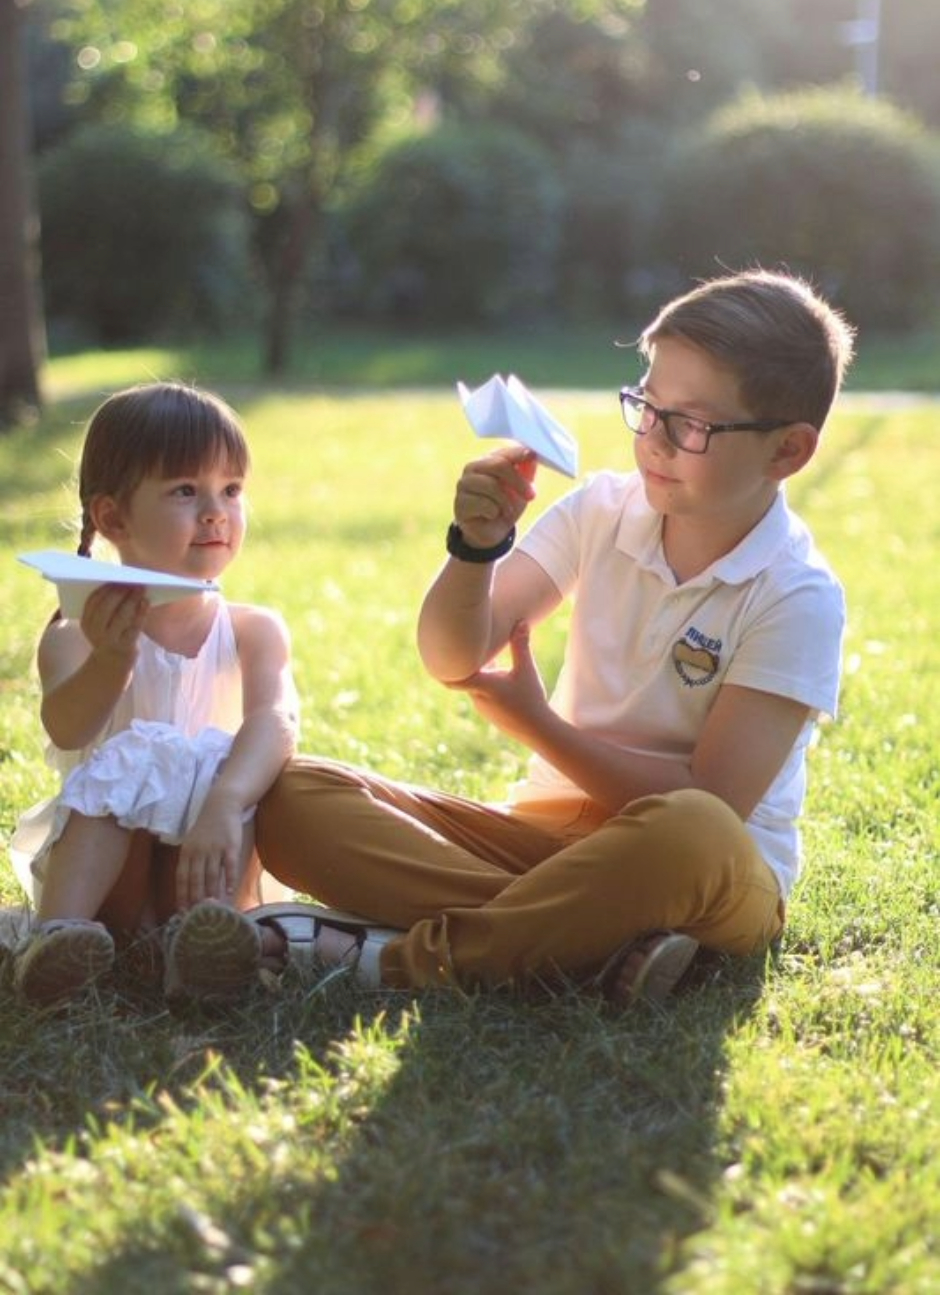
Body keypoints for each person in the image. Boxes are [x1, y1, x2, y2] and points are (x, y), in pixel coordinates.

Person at [251, 268, 854, 1005]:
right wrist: (476, 547)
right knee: (292, 796)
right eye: (646, 405)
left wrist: (539, 726)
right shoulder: (600, 509)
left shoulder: (797, 592)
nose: (653, 441)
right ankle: (595, 940)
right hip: (544, 842)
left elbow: (715, 800)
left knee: (690, 828)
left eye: (689, 425)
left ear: (788, 451)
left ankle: (403, 962)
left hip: (706, 872)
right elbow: (453, 655)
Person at [10, 382, 299, 1005]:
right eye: (185, 491)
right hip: (105, 878)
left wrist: (225, 801)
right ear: (113, 518)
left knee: (233, 768)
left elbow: (276, 720)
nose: (216, 511)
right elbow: (68, 730)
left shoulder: (253, 630)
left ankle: (203, 950)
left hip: (206, 861)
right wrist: (114, 659)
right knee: (137, 755)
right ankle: (58, 939)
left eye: (231, 490)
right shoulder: (75, 637)